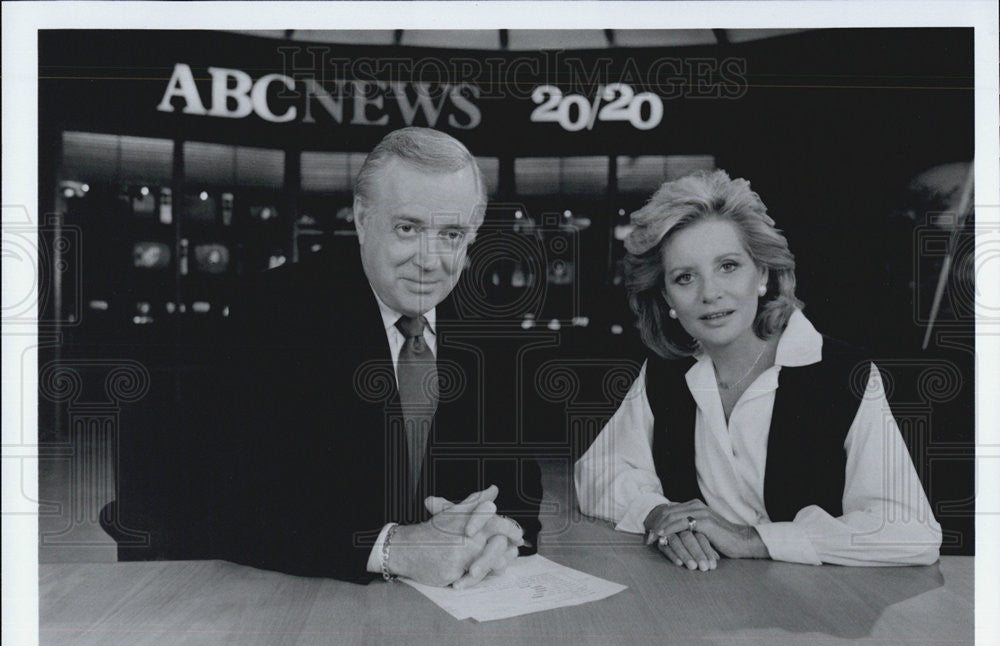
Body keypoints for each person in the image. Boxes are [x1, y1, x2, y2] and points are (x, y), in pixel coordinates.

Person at [103, 128, 541, 586]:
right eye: (408, 228)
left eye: (451, 234)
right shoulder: (275, 311)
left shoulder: (493, 329)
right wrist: (393, 548)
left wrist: (501, 533)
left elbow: (519, 492)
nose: (430, 260)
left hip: (452, 605)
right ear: (362, 219)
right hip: (304, 597)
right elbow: (232, 502)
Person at [575, 169, 941, 570]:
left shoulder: (841, 373)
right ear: (666, 296)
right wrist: (655, 512)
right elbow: (597, 472)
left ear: (763, 273)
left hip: (823, 613)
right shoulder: (666, 372)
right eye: (684, 277)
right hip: (702, 602)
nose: (710, 293)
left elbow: (912, 532)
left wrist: (753, 540)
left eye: (728, 266)